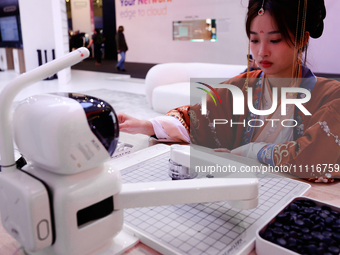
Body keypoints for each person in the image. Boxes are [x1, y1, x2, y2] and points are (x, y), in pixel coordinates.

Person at [118, 0, 340, 183]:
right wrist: (150, 125)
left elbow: (317, 156)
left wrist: (251, 151)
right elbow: (196, 119)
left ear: (302, 39)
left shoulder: (330, 96)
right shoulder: (241, 87)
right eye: (254, 40)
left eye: (274, 40)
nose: (261, 51)